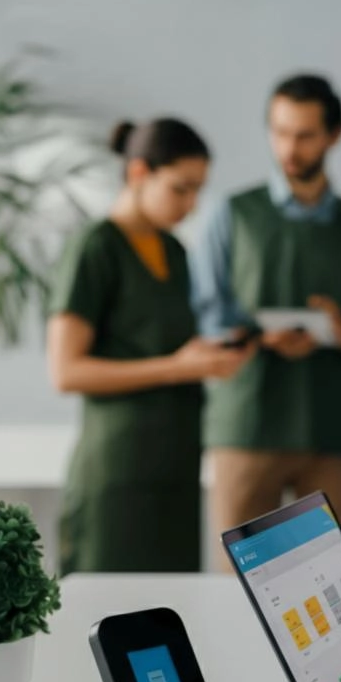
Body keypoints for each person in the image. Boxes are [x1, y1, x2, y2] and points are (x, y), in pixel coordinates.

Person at [192, 74, 341, 550]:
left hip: (330, 428)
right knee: (238, 580)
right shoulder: (232, 214)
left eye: (304, 135)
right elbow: (205, 313)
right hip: (246, 423)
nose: (289, 148)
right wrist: (260, 339)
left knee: (332, 582)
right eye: (279, 132)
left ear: (333, 136)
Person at [48, 118, 253, 576]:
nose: (192, 204)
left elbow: (168, 348)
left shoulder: (176, 252)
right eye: (181, 188)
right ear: (139, 172)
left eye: (199, 190)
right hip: (118, 475)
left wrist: (215, 354)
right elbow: (66, 371)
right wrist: (178, 367)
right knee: (106, 618)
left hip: (176, 472)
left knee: (171, 615)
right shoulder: (97, 247)